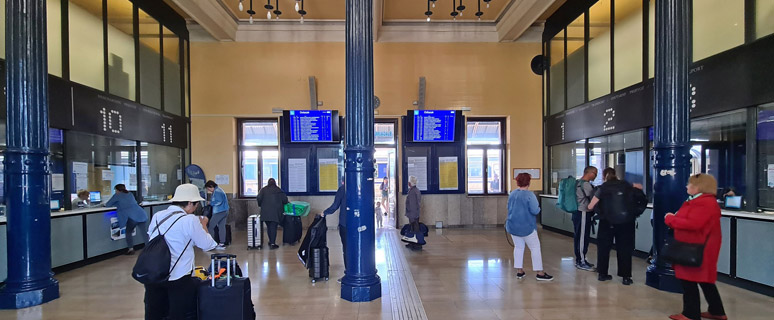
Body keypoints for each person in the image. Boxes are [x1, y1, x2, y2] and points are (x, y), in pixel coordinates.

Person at [144, 183, 218, 320]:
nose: (197, 208)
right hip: (178, 277)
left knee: (154, 313)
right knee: (178, 314)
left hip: (154, 274)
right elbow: (208, 245)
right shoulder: (190, 220)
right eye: (196, 204)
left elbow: (151, 237)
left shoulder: (158, 215)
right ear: (190, 203)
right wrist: (203, 225)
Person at [665, 174, 726, 320]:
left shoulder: (704, 203)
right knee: (705, 281)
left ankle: (690, 314)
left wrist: (670, 219)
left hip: (695, 249)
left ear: (698, 187)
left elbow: (693, 224)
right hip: (699, 247)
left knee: (689, 281)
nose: (687, 186)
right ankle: (717, 311)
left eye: (690, 184)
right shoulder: (700, 201)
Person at [588, 168, 646, 285]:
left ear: (604, 176)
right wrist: (635, 213)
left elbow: (590, 206)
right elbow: (643, 200)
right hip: (626, 223)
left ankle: (602, 274)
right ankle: (626, 277)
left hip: (607, 222)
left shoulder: (602, 188)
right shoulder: (628, 186)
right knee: (625, 249)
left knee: (604, 249)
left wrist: (600, 212)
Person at [505, 173, 553, 281]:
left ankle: (519, 271)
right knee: (535, 248)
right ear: (529, 182)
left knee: (518, 247)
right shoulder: (529, 195)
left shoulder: (512, 193)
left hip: (513, 225)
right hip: (527, 227)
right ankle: (539, 272)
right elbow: (535, 210)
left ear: (517, 182)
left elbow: (508, 207)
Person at [105, 184, 149, 255]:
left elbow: (108, 204)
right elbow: (127, 203)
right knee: (144, 233)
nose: (115, 191)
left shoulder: (117, 196)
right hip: (141, 214)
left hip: (133, 217)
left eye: (115, 190)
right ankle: (149, 248)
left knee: (128, 232)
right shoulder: (130, 194)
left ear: (117, 190)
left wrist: (116, 204)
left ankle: (131, 249)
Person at [321, 178, 346, 283]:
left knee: (346, 249)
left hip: (345, 224)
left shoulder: (342, 189)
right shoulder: (360, 188)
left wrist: (324, 212)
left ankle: (348, 273)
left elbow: (335, 206)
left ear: (342, 181)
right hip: (359, 226)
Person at [574, 166, 598, 271]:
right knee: (582, 237)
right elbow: (593, 198)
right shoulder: (586, 184)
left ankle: (580, 259)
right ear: (590, 173)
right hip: (583, 212)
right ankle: (581, 262)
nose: (596, 176)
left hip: (577, 212)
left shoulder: (577, 182)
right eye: (595, 173)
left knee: (578, 236)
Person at [256, 178, 289, 250]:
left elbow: (258, 198)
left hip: (265, 212)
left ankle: (271, 241)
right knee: (273, 227)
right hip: (276, 213)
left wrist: (261, 205)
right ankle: (272, 243)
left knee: (269, 226)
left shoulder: (263, 190)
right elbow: (285, 200)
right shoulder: (279, 190)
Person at [205, 180, 230, 250]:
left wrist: (210, 203)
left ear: (211, 186)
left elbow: (219, 202)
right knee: (221, 227)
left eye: (208, 188)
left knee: (210, 226)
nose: (208, 190)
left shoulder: (217, 192)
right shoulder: (219, 190)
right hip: (224, 211)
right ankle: (222, 243)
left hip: (219, 212)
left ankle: (211, 243)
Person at [405, 175, 422, 250]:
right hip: (415, 213)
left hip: (413, 214)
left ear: (410, 183)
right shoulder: (416, 190)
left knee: (414, 229)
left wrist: (412, 216)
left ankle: (416, 244)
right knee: (414, 228)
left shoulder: (412, 192)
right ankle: (413, 242)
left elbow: (412, 205)